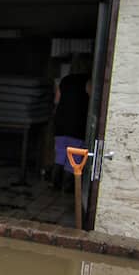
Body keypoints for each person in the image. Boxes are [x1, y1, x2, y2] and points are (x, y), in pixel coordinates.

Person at [52, 56, 92, 192]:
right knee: (74, 156)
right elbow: (93, 101)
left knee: (60, 154)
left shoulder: (65, 80)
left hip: (61, 122)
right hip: (77, 124)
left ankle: (55, 185)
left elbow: (56, 100)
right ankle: (67, 187)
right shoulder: (88, 81)